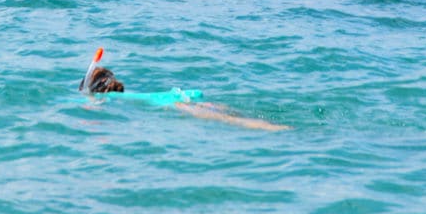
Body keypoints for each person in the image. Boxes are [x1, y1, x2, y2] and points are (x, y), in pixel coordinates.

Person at [80, 54, 289, 132]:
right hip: (182, 96)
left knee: (247, 124)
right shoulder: (124, 95)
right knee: (240, 116)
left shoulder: (106, 100)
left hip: (178, 105)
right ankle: (281, 127)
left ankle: (284, 131)